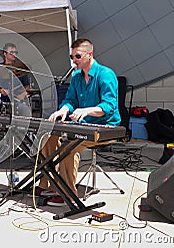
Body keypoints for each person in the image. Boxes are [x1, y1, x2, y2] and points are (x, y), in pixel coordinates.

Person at [37, 38, 121, 206]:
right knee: (48, 137)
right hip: (82, 126)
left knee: (68, 146)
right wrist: (64, 110)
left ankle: (67, 194)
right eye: (72, 57)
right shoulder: (76, 77)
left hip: (106, 127)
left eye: (77, 56)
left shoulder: (105, 74)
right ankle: (51, 185)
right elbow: (70, 100)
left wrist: (87, 110)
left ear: (89, 55)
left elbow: (109, 106)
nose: (74, 60)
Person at [0, 43, 31, 117]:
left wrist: (23, 94)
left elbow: (27, 87)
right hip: (0, 100)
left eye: (15, 52)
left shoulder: (20, 69)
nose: (14, 54)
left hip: (17, 101)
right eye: (11, 52)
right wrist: (0, 91)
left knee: (25, 109)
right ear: (5, 54)